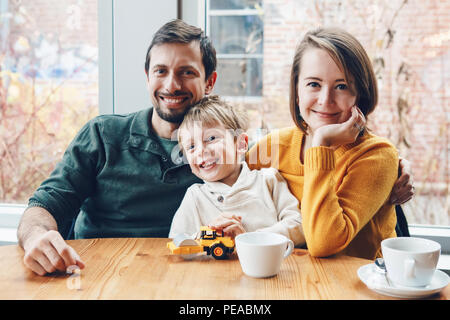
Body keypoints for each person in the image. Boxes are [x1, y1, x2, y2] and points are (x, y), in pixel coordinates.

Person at [17, 19, 413, 276]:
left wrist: (386, 193)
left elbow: (293, 187)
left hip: (206, 277)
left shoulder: (234, 155)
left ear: (210, 82)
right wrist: (36, 236)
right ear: (147, 76)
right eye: (161, 71)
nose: (172, 84)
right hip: (102, 273)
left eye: (187, 72)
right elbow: (49, 202)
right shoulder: (103, 135)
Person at [247, 27, 406, 260]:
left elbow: (323, 243)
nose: (325, 100)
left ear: (359, 95)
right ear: (297, 90)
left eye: (342, 86)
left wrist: (321, 144)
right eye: (314, 84)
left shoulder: (377, 155)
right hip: (282, 285)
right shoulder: (272, 147)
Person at [169, 95, 305, 246]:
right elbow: (175, 240)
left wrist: (251, 239)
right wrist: (206, 235)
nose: (201, 151)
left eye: (211, 138)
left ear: (241, 144)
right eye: (191, 147)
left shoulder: (268, 180)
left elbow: (298, 224)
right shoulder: (195, 196)